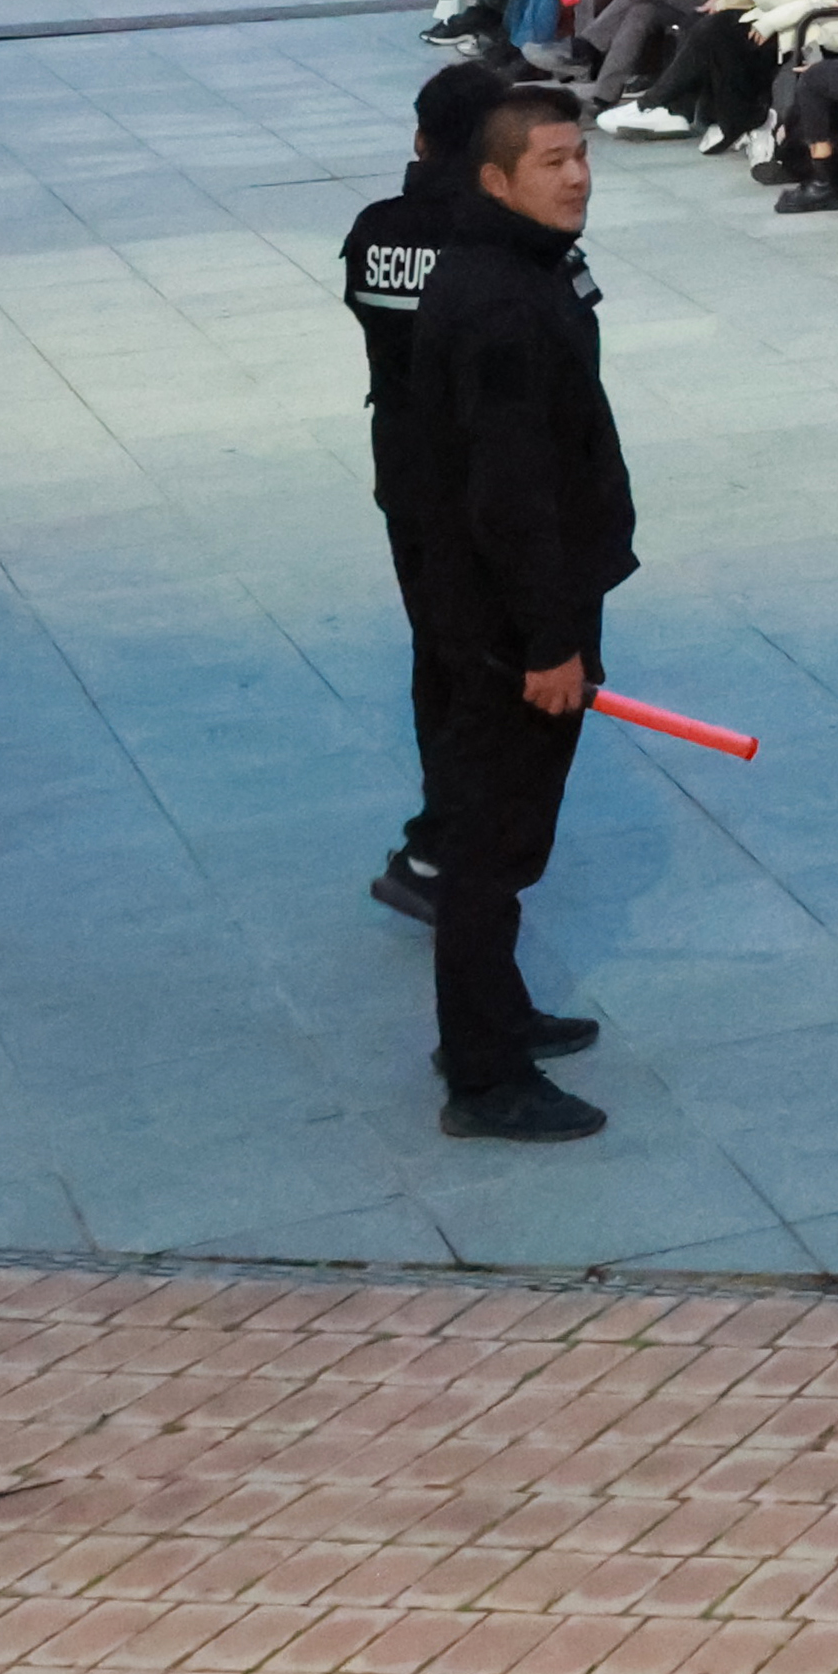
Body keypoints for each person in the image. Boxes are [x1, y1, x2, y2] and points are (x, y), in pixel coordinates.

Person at [375, 85, 631, 1143]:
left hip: (498, 609)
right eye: (550, 162)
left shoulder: (516, 268)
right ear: (493, 179)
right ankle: (481, 1075)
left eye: (580, 156)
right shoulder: (499, 302)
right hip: (502, 626)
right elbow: (509, 493)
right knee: (490, 846)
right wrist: (546, 644)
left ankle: (498, 1016)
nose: (574, 176)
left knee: (505, 839)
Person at [343, 61, 522, 931]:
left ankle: (440, 829)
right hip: (484, 492)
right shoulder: (500, 243)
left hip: (407, 479)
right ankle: (448, 841)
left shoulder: (376, 230)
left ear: (419, 140)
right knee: (486, 671)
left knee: (436, 652)